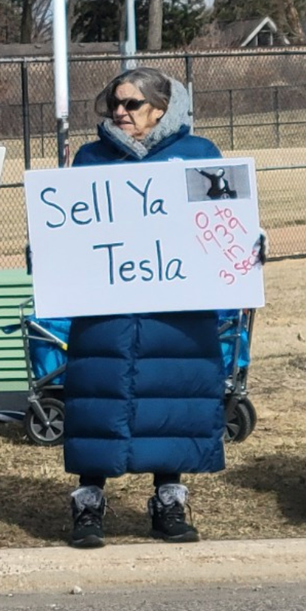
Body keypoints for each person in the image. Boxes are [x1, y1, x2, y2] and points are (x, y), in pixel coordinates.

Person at [61, 69, 226, 549]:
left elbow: (224, 223)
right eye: (116, 103)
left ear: (161, 108)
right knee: (99, 399)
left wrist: (245, 246)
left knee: (170, 400)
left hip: (177, 313)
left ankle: (168, 502)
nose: (120, 112)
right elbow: (69, 228)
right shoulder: (91, 158)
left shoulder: (199, 155)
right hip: (105, 311)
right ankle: (89, 503)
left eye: (132, 104)